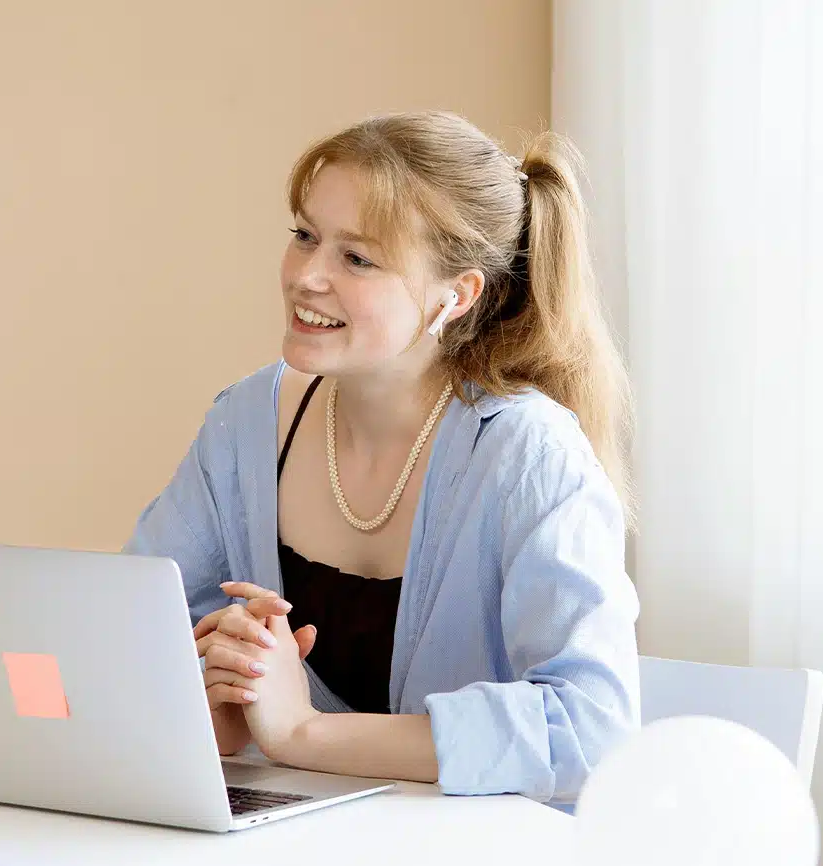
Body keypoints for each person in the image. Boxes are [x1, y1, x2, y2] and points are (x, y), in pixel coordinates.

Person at [125, 111, 639, 806]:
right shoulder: (245, 422)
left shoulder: (529, 455)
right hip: (306, 854)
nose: (307, 275)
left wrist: (301, 733)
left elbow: (589, 729)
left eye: (356, 258)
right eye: (305, 236)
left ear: (455, 297)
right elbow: (135, 632)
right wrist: (215, 692)